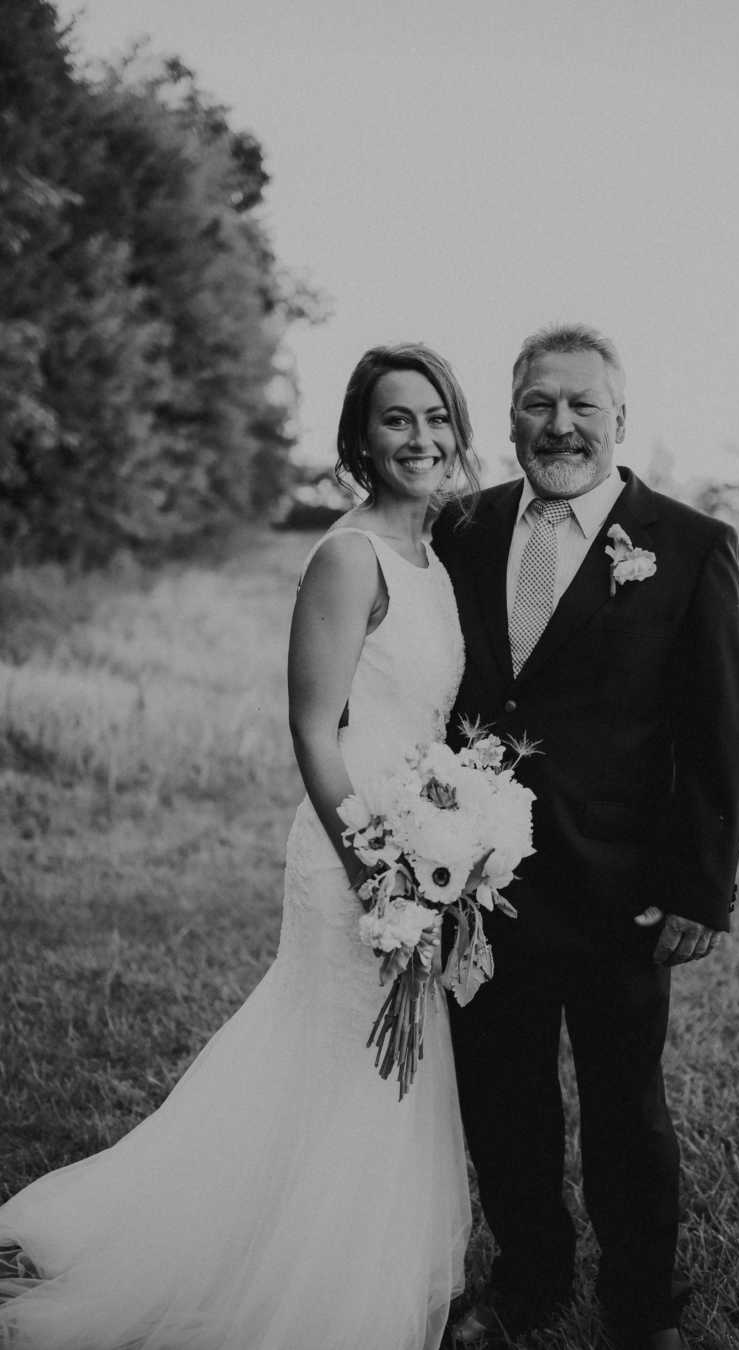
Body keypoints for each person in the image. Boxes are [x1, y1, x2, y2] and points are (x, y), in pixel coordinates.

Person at [0, 344, 478, 1350]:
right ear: (359, 437)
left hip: (422, 845)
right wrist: (378, 874)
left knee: (375, 1065)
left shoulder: (435, 556)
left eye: (435, 416)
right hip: (355, 850)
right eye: (397, 419)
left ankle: (353, 1263)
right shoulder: (348, 557)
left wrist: (454, 842)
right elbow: (315, 728)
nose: (421, 437)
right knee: (343, 1055)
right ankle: (310, 1289)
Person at [432, 324, 739, 1350]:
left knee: (627, 1112)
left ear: (622, 418)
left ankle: (640, 1304)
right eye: (538, 403)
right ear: (512, 412)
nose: (559, 424)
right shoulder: (463, 527)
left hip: (622, 892)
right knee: (504, 1100)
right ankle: (529, 1278)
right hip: (483, 886)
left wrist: (703, 889)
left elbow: (719, 733)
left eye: (582, 405)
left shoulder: (691, 544)